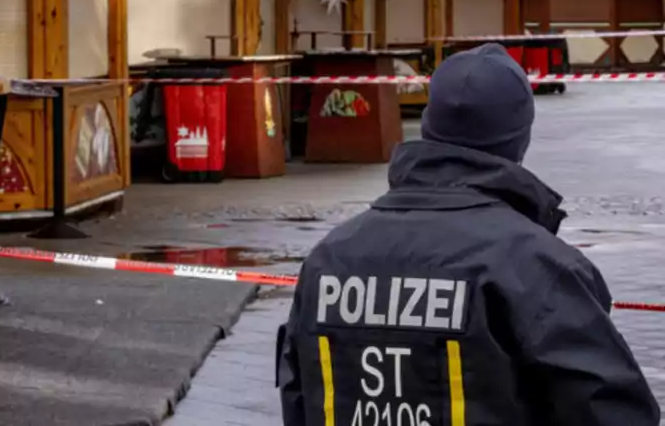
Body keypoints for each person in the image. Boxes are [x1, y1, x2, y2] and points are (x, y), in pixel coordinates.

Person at [276, 43, 659, 425]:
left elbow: (299, 398)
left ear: (429, 127)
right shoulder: (536, 267)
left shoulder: (329, 258)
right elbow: (617, 413)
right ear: (518, 141)